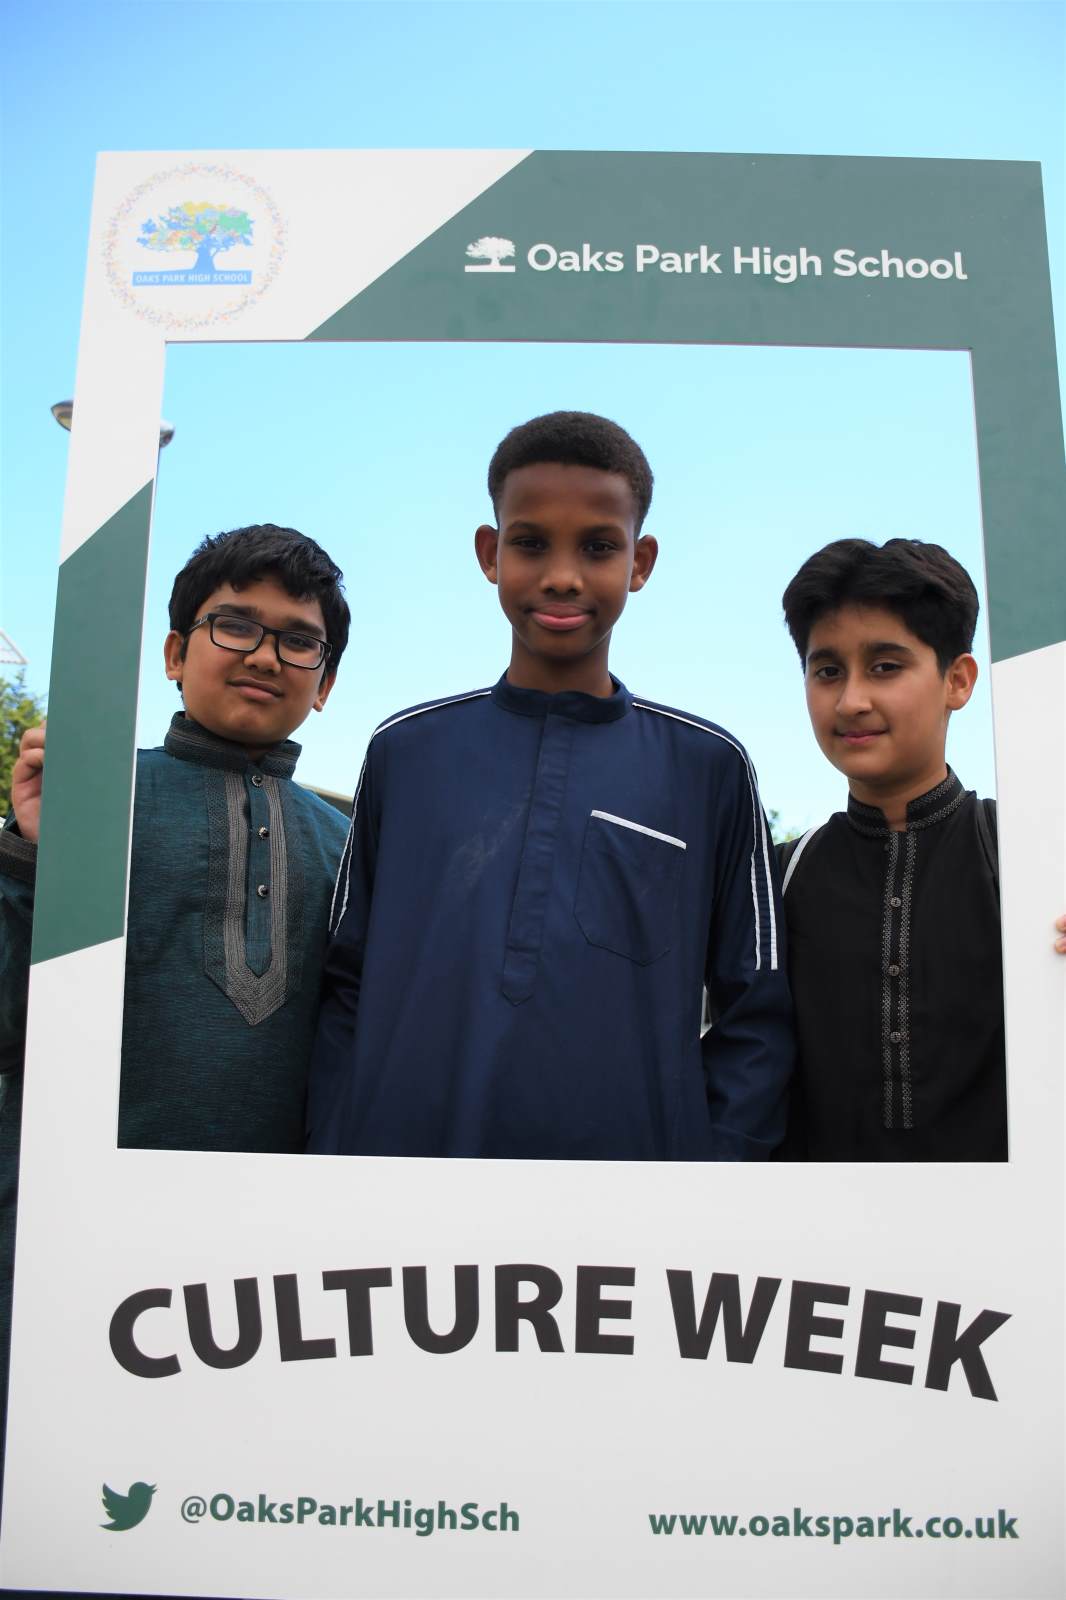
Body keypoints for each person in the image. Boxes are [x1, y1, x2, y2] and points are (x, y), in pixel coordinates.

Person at [307, 411, 793, 1160]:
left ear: (640, 562)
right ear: (490, 552)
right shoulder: (405, 751)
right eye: (531, 543)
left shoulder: (709, 767)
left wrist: (711, 1177)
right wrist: (337, 1150)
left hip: (629, 1203)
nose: (563, 575)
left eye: (599, 547)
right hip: (401, 1185)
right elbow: (345, 980)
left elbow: (756, 1013)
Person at [0, 524, 351, 1444]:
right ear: (172, 653)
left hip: (271, 1278)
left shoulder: (352, 846)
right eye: (234, 625)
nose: (265, 655)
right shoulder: (89, 799)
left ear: (324, 685)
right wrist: (32, 855)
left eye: (300, 640)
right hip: (64, 1241)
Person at [777, 537, 1007, 1160]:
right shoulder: (780, 877)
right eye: (828, 671)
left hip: (1016, 1215)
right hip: (812, 1221)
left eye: (884, 666)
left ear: (957, 680)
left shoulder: (1028, 854)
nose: (852, 700)